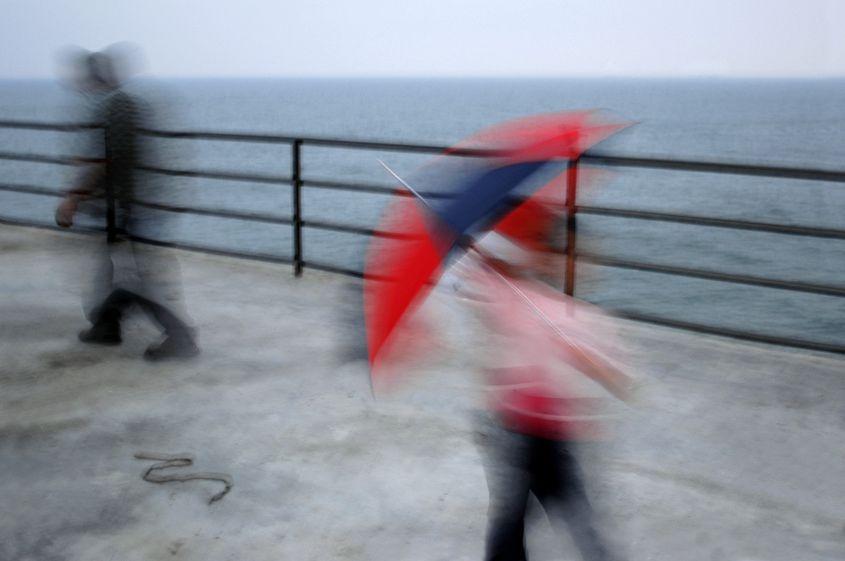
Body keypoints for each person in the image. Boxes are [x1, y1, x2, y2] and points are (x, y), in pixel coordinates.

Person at [457, 234, 635, 561]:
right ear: (542, 259)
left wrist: (589, 361)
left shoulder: (582, 317)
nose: (575, 267)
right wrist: (483, 260)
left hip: (551, 433)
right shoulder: (518, 297)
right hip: (517, 428)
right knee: (541, 512)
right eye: (564, 258)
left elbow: (620, 380)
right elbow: (477, 291)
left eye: (579, 260)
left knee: (535, 511)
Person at [55, 46, 198, 360]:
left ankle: (180, 337)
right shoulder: (119, 103)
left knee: (142, 276)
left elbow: (108, 160)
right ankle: (107, 324)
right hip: (137, 203)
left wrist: (73, 199)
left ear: (96, 77)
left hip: (138, 205)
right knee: (121, 271)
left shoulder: (115, 106)